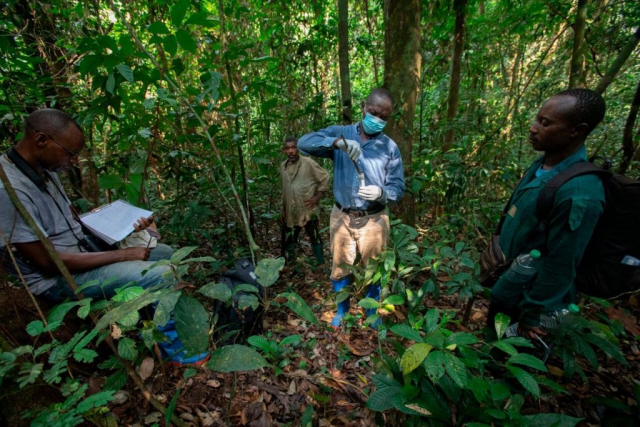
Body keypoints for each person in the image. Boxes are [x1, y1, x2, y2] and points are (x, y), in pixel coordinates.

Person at [0, 109, 175, 303]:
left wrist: (121, 222)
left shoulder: (45, 169)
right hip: (57, 280)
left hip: (83, 254)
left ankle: (145, 313)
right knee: (162, 274)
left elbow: (67, 220)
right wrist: (123, 254)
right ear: (41, 140)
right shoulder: (7, 189)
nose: (73, 162)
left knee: (166, 254)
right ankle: (161, 332)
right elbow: (49, 263)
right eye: (70, 153)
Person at [487, 88, 607, 340]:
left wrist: (533, 315)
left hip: (528, 304)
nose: (533, 128)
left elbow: (561, 262)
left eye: (545, 123)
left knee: (508, 364)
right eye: (537, 119)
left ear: (576, 129)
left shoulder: (579, 192)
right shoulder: (543, 164)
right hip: (508, 287)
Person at [298, 88, 405, 328]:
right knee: (340, 265)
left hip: (374, 219)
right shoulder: (342, 133)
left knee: (373, 267)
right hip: (342, 216)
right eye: (374, 112)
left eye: (383, 117)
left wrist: (382, 193)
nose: (377, 120)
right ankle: (342, 311)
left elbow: (398, 188)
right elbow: (304, 143)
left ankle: (370, 313)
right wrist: (337, 144)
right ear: (364, 107)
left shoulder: (389, 147)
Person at [280, 136, 329, 264]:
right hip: (291, 210)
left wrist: (317, 197)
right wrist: (284, 210)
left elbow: (325, 177)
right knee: (290, 238)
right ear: (284, 150)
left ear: (298, 149)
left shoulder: (308, 163)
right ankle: (290, 263)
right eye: (287, 148)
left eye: (293, 147)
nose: (291, 151)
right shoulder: (282, 167)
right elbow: (285, 190)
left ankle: (320, 263)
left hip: (308, 209)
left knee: (314, 236)